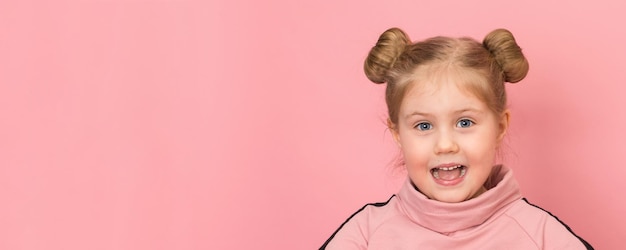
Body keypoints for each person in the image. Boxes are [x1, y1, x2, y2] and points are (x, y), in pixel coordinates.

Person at [320, 28, 593, 249]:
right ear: (397, 134)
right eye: (424, 125)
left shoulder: (541, 235)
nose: (445, 145)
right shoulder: (366, 233)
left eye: (465, 122)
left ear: (499, 127)